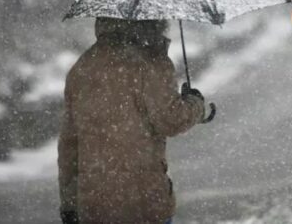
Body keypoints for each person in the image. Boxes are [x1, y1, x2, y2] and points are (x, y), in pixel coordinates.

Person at [58, 18, 206, 224]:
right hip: (143, 201)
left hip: (94, 205)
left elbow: (69, 146)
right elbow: (171, 120)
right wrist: (196, 104)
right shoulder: (152, 62)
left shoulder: (82, 67)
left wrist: (69, 204)